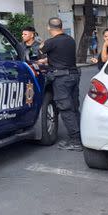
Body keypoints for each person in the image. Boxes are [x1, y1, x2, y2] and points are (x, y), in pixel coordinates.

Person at [38, 17, 82, 151]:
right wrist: (49, 60)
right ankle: (80, 137)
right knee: (74, 108)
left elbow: (40, 51)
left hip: (61, 78)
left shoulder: (50, 42)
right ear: (61, 26)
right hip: (73, 75)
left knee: (65, 108)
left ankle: (75, 141)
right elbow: (60, 55)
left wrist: (41, 46)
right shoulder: (70, 40)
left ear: (48, 28)